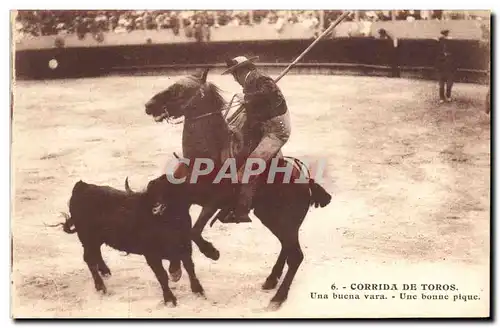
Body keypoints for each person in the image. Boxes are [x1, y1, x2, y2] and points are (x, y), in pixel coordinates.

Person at [221, 56, 291, 223]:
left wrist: (246, 99)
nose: (234, 79)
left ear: (240, 72)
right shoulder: (251, 81)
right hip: (264, 126)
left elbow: (269, 92)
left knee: (250, 166)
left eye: (233, 74)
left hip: (276, 131)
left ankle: (242, 212)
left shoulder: (259, 78)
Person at [435, 29, 456, 104]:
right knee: (441, 85)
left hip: (448, 70)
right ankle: (442, 97)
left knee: (449, 84)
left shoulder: (451, 53)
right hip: (442, 70)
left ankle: (447, 96)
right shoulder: (440, 45)